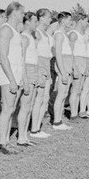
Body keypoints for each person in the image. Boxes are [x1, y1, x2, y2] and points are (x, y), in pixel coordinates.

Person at [0, 3, 25, 153]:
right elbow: (3, 57)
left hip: (16, 73)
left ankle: (6, 140)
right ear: (14, 13)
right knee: (7, 109)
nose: (23, 16)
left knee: (12, 108)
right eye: (21, 13)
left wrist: (21, 77)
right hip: (8, 74)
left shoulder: (15, 30)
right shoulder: (6, 29)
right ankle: (2, 143)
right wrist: (12, 80)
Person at [30, 9, 54, 137]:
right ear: (41, 18)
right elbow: (33, 52)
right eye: (48, 17)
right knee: (39, 98)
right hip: (39, 64)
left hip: (46, 64)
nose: (50, 19)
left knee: (45, 98)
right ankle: (34, 129)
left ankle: (38, 127)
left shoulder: (46, 34)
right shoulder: (37, 33)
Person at [17, 12, 39, 147]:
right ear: (27, 22)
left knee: (30, 106)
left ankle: (24, 136)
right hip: (28, 72)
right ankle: (21, 137)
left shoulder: (31, 37)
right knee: (25, 106)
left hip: (34, 70)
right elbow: (22, 61)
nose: (36, 24)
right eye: (34, 21)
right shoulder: (24, 38)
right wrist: (25, 80)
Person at [51, 12, 74, 131]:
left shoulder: (65, 34)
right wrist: (63, 72)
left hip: (67, 65)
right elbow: (58, 55)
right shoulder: (59, 34)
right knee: (61, 94)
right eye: (69, 20)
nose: (71, 22)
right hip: (63, 66)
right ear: (63, 20)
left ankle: (59, 119)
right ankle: (56, 121)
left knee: (64, 94)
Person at [67, 16, 88, 119]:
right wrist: (74, 67)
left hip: (82, 62)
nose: (87, 23)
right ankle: (73, 114)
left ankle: (77, 111)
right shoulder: (73, 34)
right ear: (80, 20)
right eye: (86, 21)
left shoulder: (81, 35)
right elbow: (70, 52)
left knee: (79, 89)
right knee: (75, 90)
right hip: (77, 62)